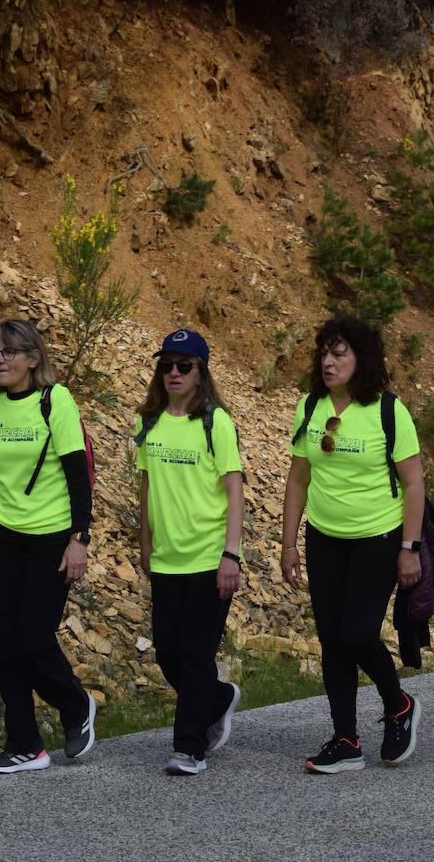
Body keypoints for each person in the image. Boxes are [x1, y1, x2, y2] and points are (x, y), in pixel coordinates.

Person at [279, 315, 426, 773]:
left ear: (361, 360)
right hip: (324, 538)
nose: (328, 361)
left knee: (358, 633)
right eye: (324, 352)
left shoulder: (388, 410)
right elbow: (298, 478)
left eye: (339, 353)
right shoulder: (309, 407)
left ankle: (397, 703)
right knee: (332, 641)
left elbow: (415, 482)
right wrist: (288, 544)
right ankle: (346, 740)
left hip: (378, 540)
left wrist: (410, 547)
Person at [0, 319, 97, 773]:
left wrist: (80, 538)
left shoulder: (53, 401)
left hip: (50, 537)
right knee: (6, 647)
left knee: (33, 640)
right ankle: (24, 743)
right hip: (3, 535)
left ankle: (76, 704)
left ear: (33, 359)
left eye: (9, 352)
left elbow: (79, 475)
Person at [135, 329, 245, 776]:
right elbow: (145, 489)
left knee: (196, 655)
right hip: (166, 558)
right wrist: (144, 542)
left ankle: (189, 747)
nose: (174, 373)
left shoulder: (215, 422)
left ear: (202, 373)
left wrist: (230, 555)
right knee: (167, 653)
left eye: (184, 366)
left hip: (208, 558)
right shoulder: (150, 421)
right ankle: (217, 699)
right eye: (167, 365)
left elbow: (234, 492)